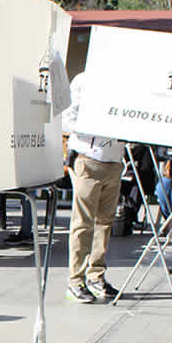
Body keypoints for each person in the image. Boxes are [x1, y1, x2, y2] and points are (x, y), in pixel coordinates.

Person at [61, 72, 125, 303]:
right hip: (89, 158)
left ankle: (96, 275)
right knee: (83, 223)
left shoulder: (125, 81)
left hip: (114, 161)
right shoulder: (84, 80)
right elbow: (67, 117)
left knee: (105, 223)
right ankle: (75, 280)